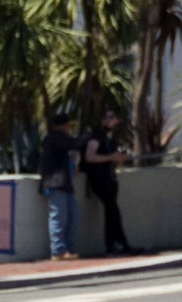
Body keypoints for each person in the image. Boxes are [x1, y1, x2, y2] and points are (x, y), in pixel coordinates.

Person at [81, 106, 138, 256]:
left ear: (117, 120)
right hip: (98, 179)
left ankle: (115, 244)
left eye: (111, 117)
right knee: (113, 209)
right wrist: (111, 157)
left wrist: (119, 159)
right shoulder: (97, 136)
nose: (108, 120)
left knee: (112, 211)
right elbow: (89, 157)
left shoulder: (112, 139)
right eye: (106, 117)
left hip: (109, 178)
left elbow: (112, 160)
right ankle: (118, 244)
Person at [39, 109, 79, 261]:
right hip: (55, 183)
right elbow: (74, 143)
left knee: (73, 215)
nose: (69, 128)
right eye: (68, 125)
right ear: (62, 126)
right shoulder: (55, 139)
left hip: (65, 183)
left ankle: (67, 248)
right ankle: (57, 250)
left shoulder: (59, 141)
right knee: (58, 216)